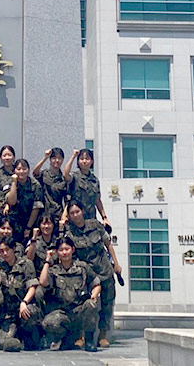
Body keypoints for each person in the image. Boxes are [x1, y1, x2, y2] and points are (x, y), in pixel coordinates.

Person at [65, 201, 122, 348]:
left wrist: (116, 263)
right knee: (84, 303)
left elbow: (108, 245)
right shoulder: (70, 232)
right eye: (72, 213)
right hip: (86, 274)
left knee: (107, 303)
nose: (75, 215)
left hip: (104, 270)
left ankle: (102, 336)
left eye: (77, 211)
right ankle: (81, 336)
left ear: (83, 211)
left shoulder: (95, 225)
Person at [39, 237, 101, 352]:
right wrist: (47, 260)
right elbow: (43, 282)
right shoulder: (54, 270)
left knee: (91, 304)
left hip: (79, 311)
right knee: (48, 323)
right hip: (63, 313)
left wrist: (94, 295)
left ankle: (89, 339)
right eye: (61, 250)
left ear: (72, 250)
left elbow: (97, 283)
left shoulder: (82, 267)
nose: (64, 252)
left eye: (67, 249)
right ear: (57, 252)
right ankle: (67, 338)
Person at [0, 236, 42, 352]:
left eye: (7, 250)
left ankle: (29, 334)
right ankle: (17, 336)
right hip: (9, 313)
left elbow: (32, 286)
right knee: (4, 344)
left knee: (30, 312)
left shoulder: (26, 264)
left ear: (13, 249)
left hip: (24, 306)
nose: (5, 253)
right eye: (2, 251)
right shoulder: (1, 267)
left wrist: (24, 302)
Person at [62, 149, 111, 230]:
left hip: (91, 219)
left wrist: (104, 217)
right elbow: (65, 175)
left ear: (92, 161)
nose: (84, 161)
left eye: (87, 159)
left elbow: (97, 200)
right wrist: (73, 156)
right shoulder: (74, 176)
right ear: (78, 162)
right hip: (75, 219)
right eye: (81, 159)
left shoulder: (94, 180)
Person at [6, 159, 44, 243]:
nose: (21, 171)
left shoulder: (35, 185)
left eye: (24, 169)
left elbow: (36, 208)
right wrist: (14, 183)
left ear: (28, 170)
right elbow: (12, 202)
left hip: (30, 223)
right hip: (13, 224)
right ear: (14, 171)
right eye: (18, 169)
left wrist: (28, 227)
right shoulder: (10, 183)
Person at [32, 148, 68, 229]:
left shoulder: (64, 178)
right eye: (54, 158)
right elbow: (35, 172)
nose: (57, 160)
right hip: (43, 214)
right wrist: (45, 157)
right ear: (50, 159)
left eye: (59, 158)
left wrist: (64, 216)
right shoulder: (44, 174)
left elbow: (67, 200)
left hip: (57, 214)